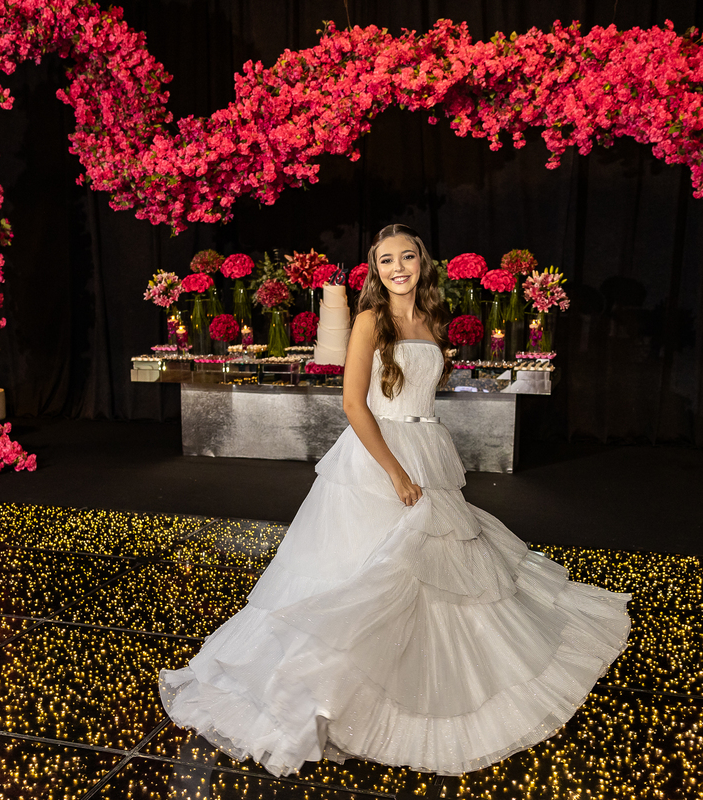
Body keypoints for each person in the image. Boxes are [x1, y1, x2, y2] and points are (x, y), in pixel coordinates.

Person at [159, 224, 631, 777]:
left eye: (407, 257)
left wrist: (418, 461)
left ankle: (429, 678)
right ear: (375, 270)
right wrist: (396, 472)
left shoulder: (432, 318)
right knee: (370, 574)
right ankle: (324, 690)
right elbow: (353, 404)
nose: (398, 267)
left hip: (428, 446)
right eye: (387, 260)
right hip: (378, 456)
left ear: (421, 264)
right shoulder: (370, 319)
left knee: (441, 570)